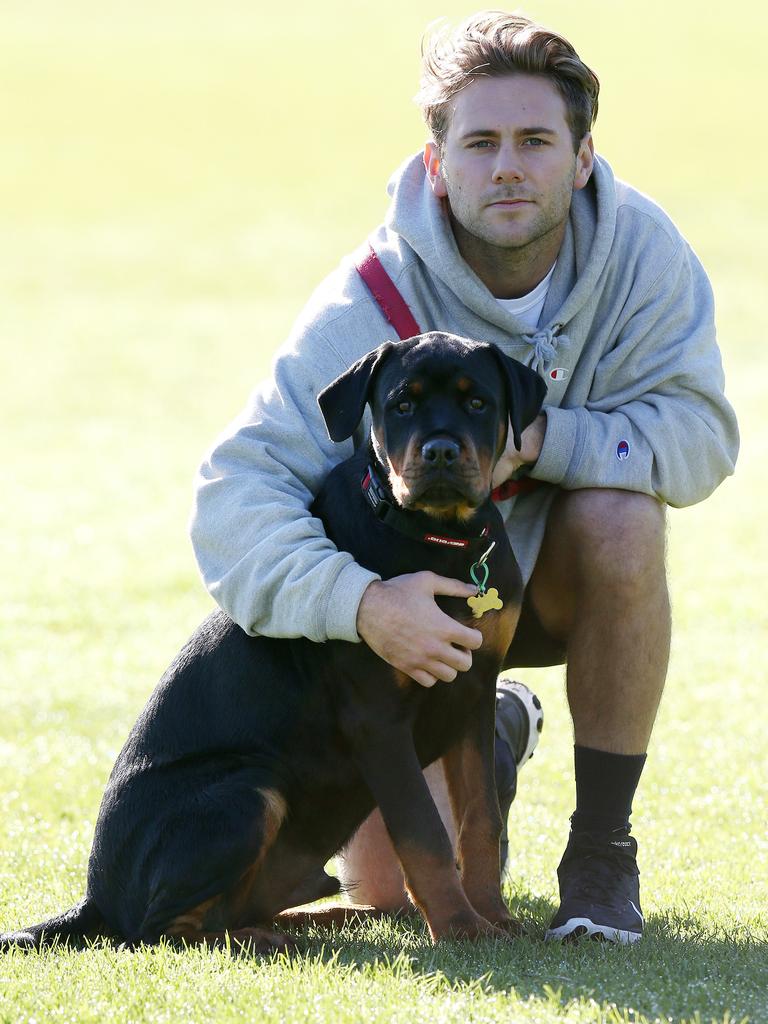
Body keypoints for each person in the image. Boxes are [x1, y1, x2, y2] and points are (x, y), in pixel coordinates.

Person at [190, 12, 739, 943]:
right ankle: (497, 726)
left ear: (583, 156)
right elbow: (231, 502)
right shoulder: (370, 302)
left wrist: (543, 440)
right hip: (406, 610)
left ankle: (602, 847)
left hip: (553, 586)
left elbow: (703, 438)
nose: (508, 168)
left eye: (536, 140)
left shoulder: (645, 256)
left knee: (622, 516)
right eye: (480, 142)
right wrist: (361, 604)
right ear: (438, 163)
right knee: (386, 897)